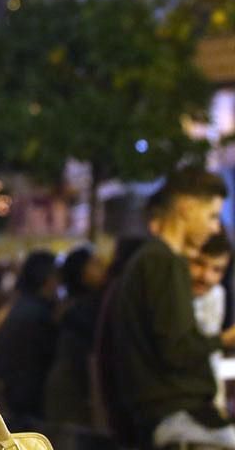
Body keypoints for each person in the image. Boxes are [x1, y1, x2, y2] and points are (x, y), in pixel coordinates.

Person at [112, 168, 235, 448]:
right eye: (212, 216)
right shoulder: (164, 261)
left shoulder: (153, 260)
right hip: (177, 418)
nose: (215, 227)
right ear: (186, 207)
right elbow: (177, 350)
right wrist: (223, 340)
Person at [42, 246, 106, 450]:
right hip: (75, 394)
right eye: (94, 264)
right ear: (81, 272)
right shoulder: (82, 310)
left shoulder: (69, 307)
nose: (102, 268)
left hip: (71, 392)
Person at [0, 250, 58, 431]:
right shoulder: (39, 314)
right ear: (47, 278)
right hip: (33, 403)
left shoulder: (15, 309)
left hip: (14, 399)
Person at [191, 230, 232, 415]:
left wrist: (219, 405)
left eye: (217, 269)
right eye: (199, 264)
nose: (206, 277)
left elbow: (212, 360)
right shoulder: (171, 294)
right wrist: (224, 339)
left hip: (207, 404)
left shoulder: (217, 293)